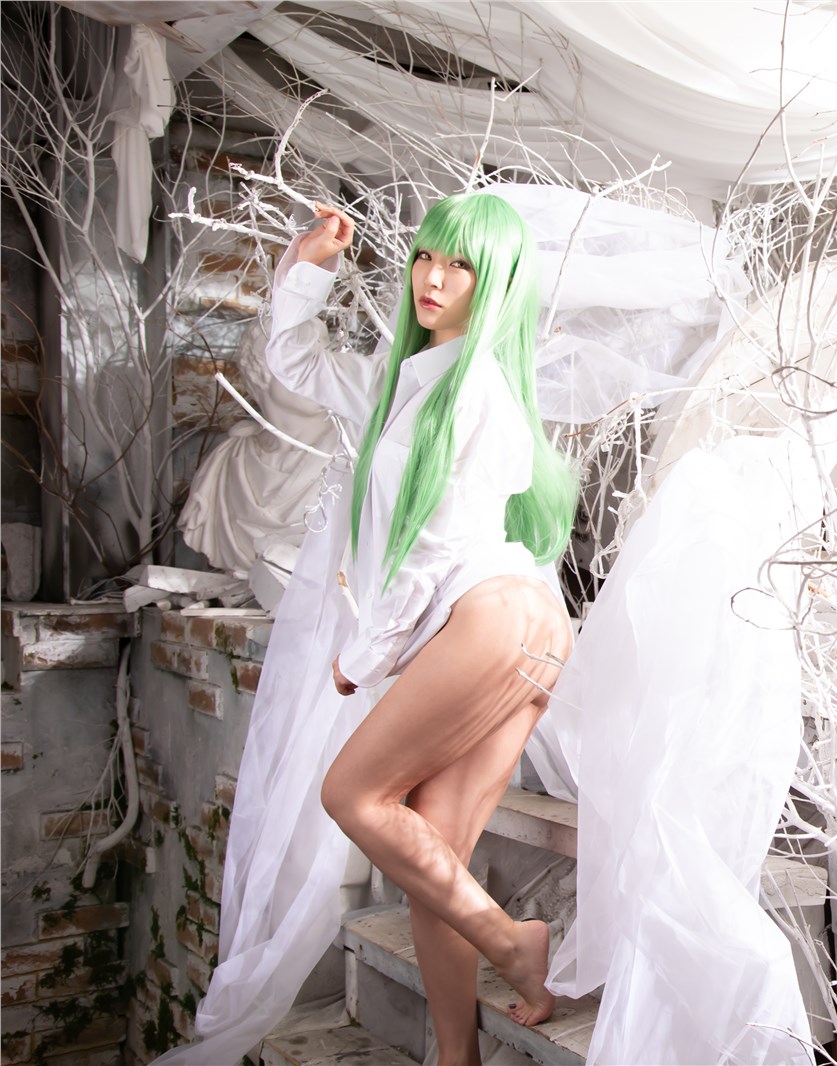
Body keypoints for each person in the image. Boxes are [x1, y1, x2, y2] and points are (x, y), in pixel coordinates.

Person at [259, 191, 576, 1064]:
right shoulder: (402, 378)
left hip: (492, 615)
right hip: (516, 624)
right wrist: (308, 270)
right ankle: (458, 1054)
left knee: (352, 795)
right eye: (425, 257)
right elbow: (293, 359)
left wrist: (366, 652)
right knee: (436, 857)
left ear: (496, 283)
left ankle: (514, 944)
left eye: (461, 264)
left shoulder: (478, 389)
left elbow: (436, 542)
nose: (434, 278)